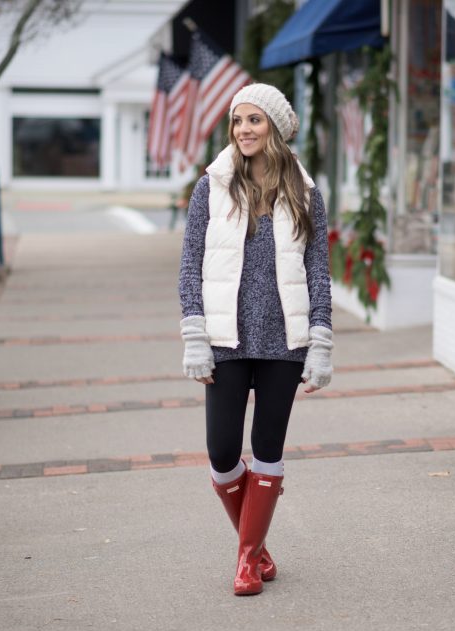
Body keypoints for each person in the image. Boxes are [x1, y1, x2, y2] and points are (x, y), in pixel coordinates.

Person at [178, 83, 333, 596]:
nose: (244, 129)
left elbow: (318, 272)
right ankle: (260, 547)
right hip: (225, 339)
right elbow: (190, 268)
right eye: (238, 120)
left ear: (276, 128)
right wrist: (194, 334)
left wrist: (321, 342)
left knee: (267, 447)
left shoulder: (306, 193)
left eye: (254, 120)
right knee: (222, 452)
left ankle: (246, 560)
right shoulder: (212, 187)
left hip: (283, 342)